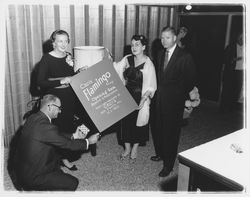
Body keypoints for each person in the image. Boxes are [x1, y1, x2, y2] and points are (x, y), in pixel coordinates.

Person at [15, 94, 100, 191]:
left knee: (56, 156)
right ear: (50, 107)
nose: (60, 111)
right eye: (59, 108)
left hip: (23, 171)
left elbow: (55, 136)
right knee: (73, 183)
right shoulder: (46, 127)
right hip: (32, 178)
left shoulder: (33, 118)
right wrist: (88, 141)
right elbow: (69, 145)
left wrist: (74, 135)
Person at [150, 27, 196, 177]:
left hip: (174, 102)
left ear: (175, 38)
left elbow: (189, 81)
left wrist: (180, 99)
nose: (164, 41)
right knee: (158, 129)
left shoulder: (184, 56)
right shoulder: (160, 53)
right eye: (162, 38)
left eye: (167, 38)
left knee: (171, 134)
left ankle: (168, 165)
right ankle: (161, 154)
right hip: (159, 100)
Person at [37, 29, 79, 170]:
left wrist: (79, 72)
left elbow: (70, 76)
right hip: (55, 99)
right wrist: (60, 81)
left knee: (67, 127)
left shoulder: (68, 56)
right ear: (53, 43)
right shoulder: (47, 59)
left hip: (69, 96)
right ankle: (55, 160)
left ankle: (65, 157)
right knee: (56, 131)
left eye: (66, 40)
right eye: (60, 41)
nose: (63, 44)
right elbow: (40, 82)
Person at [114, 35, 157, 161]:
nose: (134, 47)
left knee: (139, 124)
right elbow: (116, 69)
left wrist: (143, 101)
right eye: (132, 45)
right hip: (126, 95)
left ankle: (135, 148)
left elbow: (151, 86)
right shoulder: (127, 59)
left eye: (137, 44)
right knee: (125, 123)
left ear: (143, 47)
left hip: (140, 97)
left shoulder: (149, 64)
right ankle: (127, 148)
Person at [220, 32, 244, 112]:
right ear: (237, 38)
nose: (242, 40)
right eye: (241, 38)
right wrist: (234, 59)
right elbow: (224, 59)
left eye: (244, 38)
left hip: (240, 72)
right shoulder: (231, 47)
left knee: (236, 90)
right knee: (227, 89)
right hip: (231, 72)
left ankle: (231, 108)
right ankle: (223, 108)